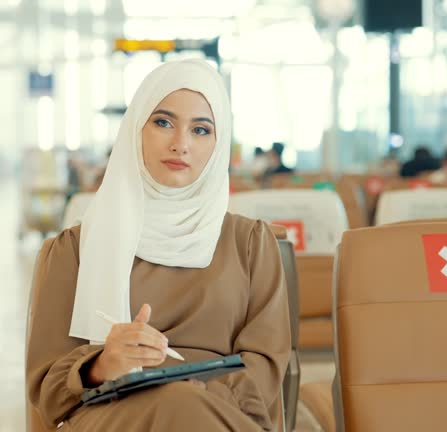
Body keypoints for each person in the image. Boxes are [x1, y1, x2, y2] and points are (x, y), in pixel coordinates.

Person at [26, 60, 290, 431]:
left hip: (223, 412)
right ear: (136, 130)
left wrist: (195, 397)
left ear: (218, 145)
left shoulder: (250, 245)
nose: (180, 144)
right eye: (163, 122)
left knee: (183, 407)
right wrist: (102, 363)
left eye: (200, 130)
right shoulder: (74, 250)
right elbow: (47, 388)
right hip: (115, 411)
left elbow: (266, 367)